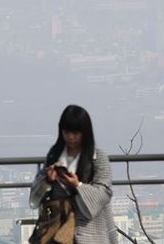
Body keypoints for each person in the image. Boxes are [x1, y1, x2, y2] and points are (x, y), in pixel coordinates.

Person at [29, 104, 118, 243]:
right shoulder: (54, 155)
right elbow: (35, 196)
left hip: (90, 232)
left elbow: (104, 193)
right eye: (66, 132)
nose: (70, 137)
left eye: (76, 133)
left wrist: (78, 186)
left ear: (85, 133)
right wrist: (48, 180)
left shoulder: (98, 158)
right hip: (56, 230)